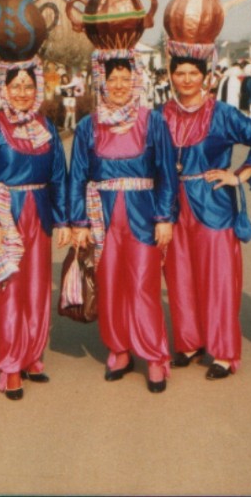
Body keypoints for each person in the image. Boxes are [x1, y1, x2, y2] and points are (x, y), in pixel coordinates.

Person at [160, 43, 251, 381]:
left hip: (212, 203)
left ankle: (223, 352)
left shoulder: (221, 113)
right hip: (173, 204)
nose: (186, 79)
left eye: (193, 73)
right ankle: (189, 343)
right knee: (179, 275)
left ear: (205, 76)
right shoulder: (161, 114)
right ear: (170, 76)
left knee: (218, 279)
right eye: (180, 73)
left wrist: (238, 176)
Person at [69, 51, 176, 393]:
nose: (118, 85)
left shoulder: (152, 121)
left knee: (144, 284)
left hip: (143, 213)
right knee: (110, 282)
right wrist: (79, 222)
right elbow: (77, 176)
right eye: (111, 79)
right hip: (102, 215)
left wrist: (164, 217)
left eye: (124, 78)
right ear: (101, 83)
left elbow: (166, 173)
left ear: (135, 81)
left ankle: (154, 355)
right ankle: (119, 350)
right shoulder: (88, 126)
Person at [0, 57, 70, 400]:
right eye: (16, 86)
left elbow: (59, 174)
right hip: (4, 213)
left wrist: (63, 219)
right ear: (4, 89)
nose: (23, 92)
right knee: (8, 287)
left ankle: (32, 356)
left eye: (28, 86)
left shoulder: (46, 126)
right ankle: (11, 365)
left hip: (38, 212)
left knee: (37, 287)